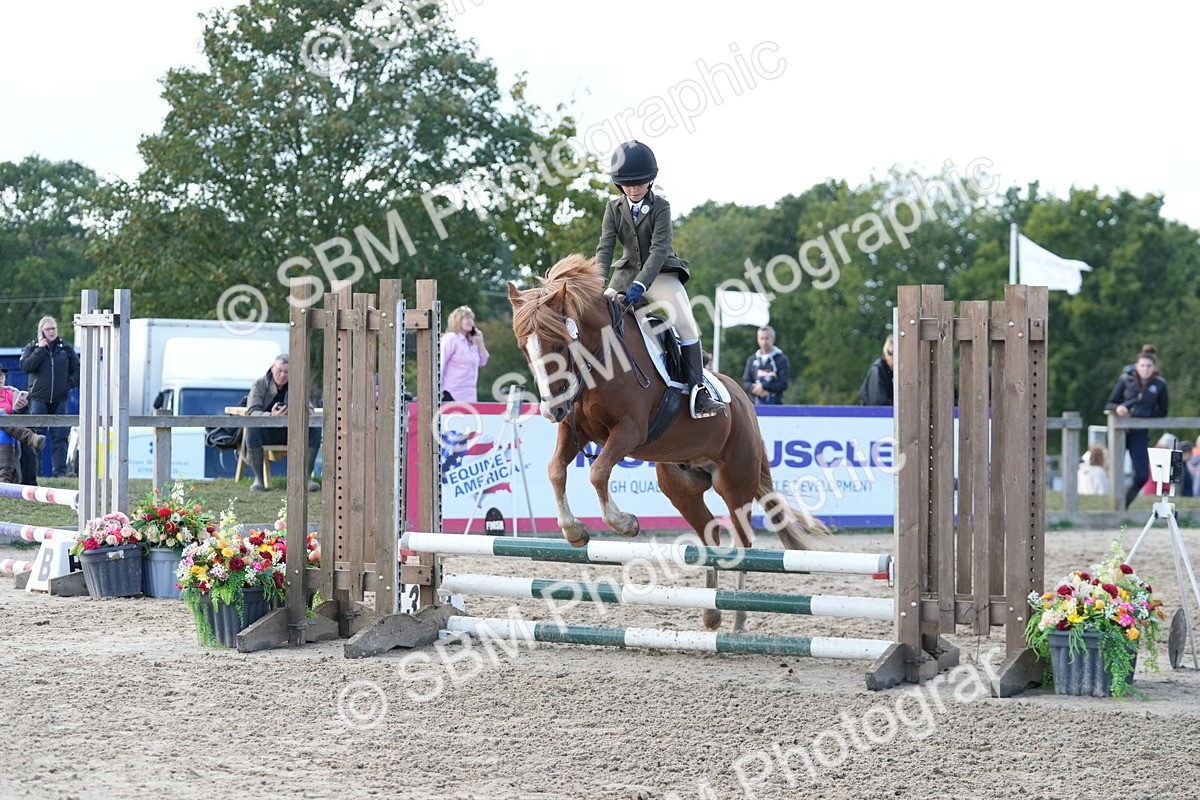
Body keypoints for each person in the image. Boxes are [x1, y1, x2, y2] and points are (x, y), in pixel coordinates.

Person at [595, 140, 725, 419]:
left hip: (661, 274)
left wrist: (641, 284)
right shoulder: (612, 209)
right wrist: (597, 283)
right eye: (628, 185)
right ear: (620, 185)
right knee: (595, 315)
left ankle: (698, 390)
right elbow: (605, 247)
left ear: (650, 181)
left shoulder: (661, 207)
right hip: (625, 275)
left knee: (687, 325)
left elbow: (659, 249)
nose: (634, 189)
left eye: (639, 183)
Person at [244, 355, 322, 493]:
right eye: (280, 371)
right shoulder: (259, 384)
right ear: (272, 368)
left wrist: (294, 413)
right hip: (266, 431)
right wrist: (271, 415)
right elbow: (252, 412)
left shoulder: (297, 386)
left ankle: (306, 478)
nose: (283, 375)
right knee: (251, 428)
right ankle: (259, 480)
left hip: (290, 431)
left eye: (286, 372)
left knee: (314, 428)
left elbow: (309, 411)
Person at [1105, 345, 1168, 507]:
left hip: (1139, 433)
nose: (1145, 369)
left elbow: (1162, 412)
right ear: (1137, 366)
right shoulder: (1125, 379)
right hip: (1119, 431)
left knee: (1142, 474)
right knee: (1114, 471)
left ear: (1154, 367)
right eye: (1142, 366)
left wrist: (1144, 415)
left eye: (1149, 366)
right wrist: (1118, 408)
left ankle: (1124, 504)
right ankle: (1113, 506)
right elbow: (1110, 403)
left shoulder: (1160, 385)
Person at [19, 316, 79, 477]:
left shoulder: (65, 348)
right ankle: (36, 473)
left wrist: (68, 384)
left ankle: (59, 473)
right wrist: (40, 349)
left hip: (60, 399)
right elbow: (26, 366)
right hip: (39, 398)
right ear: (41, 331)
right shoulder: (32, 347)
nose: (52, 331)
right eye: (48, 329)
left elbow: (78, 369)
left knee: (60, 436)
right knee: (37, 436)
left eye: (54, 328)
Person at [0, 368, 46, 483]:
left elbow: (25, 420)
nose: (0, 378)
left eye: (2, 375)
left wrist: (23, 409)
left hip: (9, 434)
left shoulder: (12, 393)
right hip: (11, 432)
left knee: (4, 432)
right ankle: (30, 437)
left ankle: (6, 482)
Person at [439, 306, 489, 403]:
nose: (470, 321)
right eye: (466, 318)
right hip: (451, 394)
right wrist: (438, 391)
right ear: (457, 320)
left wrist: (480, 342)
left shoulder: (470, 342)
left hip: (469, 397)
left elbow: (483, 362)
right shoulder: (451, 338)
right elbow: (440, 364)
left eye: (472, 318)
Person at [742, 326, 790, 405]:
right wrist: (755, 389)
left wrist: (764, 387)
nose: (764, 342)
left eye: (767, 338)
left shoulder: (781, 359)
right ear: (757, 339)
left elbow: (784, 384)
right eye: (762, 338)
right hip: (754, 406)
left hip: (775, 406)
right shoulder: (752, 359)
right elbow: (746, 382)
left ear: (773, 339)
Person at [858, 335, 895, 406]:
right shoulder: (878, 370)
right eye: (890, 353)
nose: (893, 358)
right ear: (885, 352)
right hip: (875, 415)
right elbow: (879, 401)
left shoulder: (893, 372)